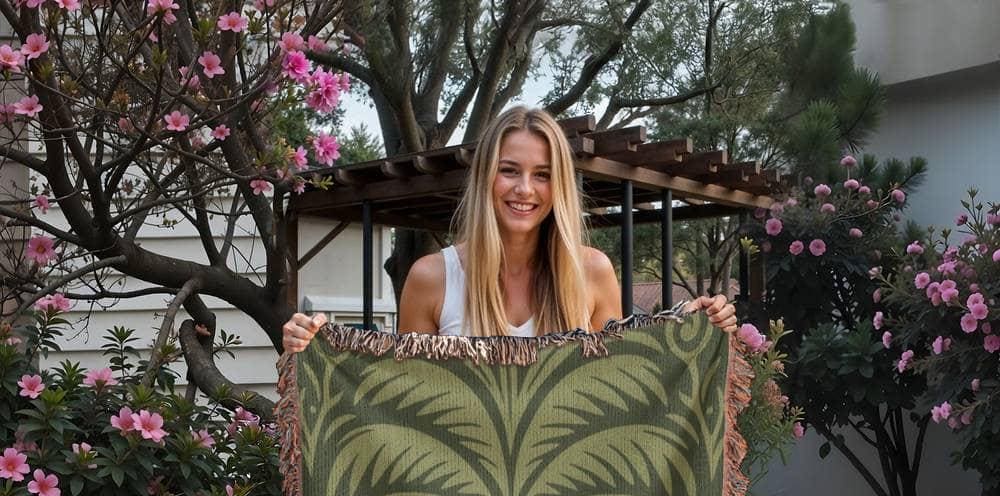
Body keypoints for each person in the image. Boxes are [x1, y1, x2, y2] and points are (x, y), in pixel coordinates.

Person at [282, 105, 737, 353]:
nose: (525, 189)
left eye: (542, 175)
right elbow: (400, 405)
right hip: (458, 494)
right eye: (509, 170)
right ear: (485, 177)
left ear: (559, 186)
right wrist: (318, 350)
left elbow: (625, 385)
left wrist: (694, 328)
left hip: (569, 493)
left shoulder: (593, 272)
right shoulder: (432, 278)